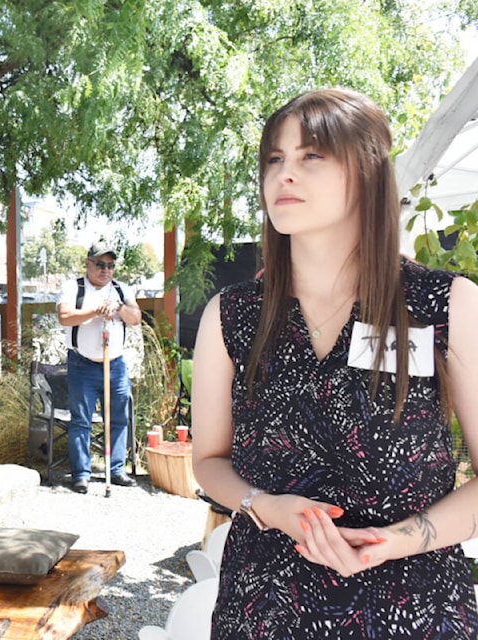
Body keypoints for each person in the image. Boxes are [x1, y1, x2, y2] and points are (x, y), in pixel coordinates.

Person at [191, 88, 478, 638]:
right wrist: (265, 506)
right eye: (274, 159)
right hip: (265, 606)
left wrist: (398, 540)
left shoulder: (445, 306)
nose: (284, 174)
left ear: (368, 172)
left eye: (310, 156)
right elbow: (208, 460)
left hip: (410, 608)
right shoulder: (232, 316)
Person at [57, 241, 142, 494]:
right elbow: (65, 317)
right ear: (88, 263)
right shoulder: (74, 287)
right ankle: (81, 474)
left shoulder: (120, 289)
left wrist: (118, 307)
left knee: (117, 418)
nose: (106, 270)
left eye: (110, 265)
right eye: (100, 264)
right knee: (81, 421)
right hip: (82, 364)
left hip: (115, 364)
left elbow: (136, 318)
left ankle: (115, 470)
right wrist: (94, 310)